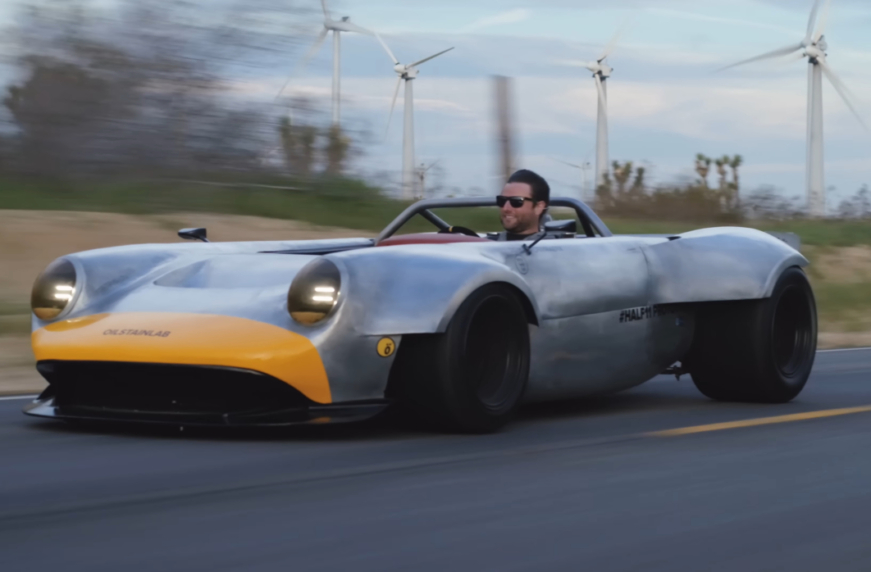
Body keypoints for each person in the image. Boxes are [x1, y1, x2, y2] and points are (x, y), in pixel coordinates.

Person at [496, 169, 550, 241]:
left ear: (538, 207)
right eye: (502, 200)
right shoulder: (486, 244)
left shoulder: (554, 245)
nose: (506, 208)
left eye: (516, 201)